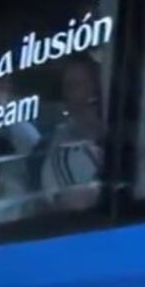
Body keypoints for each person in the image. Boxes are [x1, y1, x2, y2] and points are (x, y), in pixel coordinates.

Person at [41, 57, 104, 211]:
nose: (90, 90)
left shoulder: (140, 130)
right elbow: (82, 211)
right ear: (67, 102)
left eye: (93, 79)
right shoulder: (62, 158)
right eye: (76, 85)